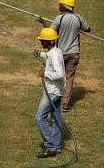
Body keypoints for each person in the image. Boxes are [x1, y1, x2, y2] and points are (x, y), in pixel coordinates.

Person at [37, 0, 90, 112]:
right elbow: (88, 28)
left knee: (59, 75)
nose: (59, 5)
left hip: (61, 53)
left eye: (60, 4)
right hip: (74, 53)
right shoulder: (78, 18)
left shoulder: (59, 18)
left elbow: (50, 33)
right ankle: (65, 104)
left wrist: (43, 21)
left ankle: (56, 99)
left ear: (65, 6)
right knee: (69, 77)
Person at [33, 27, 66, 158]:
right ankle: (57, 147)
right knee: (56, 118)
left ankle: (50, 145)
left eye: (43, 41)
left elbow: (60, 73)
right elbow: (49, 56)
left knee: (39, 117)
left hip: (52, 92)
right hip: (57, 91)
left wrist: (45, 73)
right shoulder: (55, 51)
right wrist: (40, 54)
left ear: (49, 42)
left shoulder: (56, 55)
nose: (41, 43)